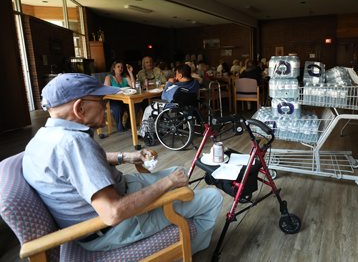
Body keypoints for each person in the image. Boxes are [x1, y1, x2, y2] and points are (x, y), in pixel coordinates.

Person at [23, 73, 223, 253]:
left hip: (118, 197)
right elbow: (113, 213)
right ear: (80, 108)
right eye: (101, 100)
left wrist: (127, 157)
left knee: (180, 170)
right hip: (117, 227)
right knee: (213, 197)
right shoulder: (73, 144)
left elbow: (78, 165)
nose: (106, 105)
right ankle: (186, 252)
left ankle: (181, 212)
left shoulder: (44, 137)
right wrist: (168, 183)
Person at [139, 64, 200, 138]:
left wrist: (169, 83)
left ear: (180, 76)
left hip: (173, 106)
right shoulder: (195, 83)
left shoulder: (176, 87)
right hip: (189, 105)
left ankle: (145, 133)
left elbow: (163, 97)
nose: (175, 76)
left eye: (176, 74)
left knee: (148, 109)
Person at [104, 61, 137, 132]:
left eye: (122, 67)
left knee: (136, 105)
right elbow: (106, 90)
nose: (120, 68)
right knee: (117, 108)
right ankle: (119, 125)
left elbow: (133, 86)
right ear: (113, 68)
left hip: (126, 99)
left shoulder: (125, 76)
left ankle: (128, 123)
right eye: (118, 67)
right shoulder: (109, 77)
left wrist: (130, 72)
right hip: (114, 100)